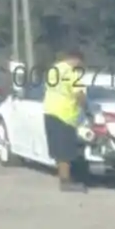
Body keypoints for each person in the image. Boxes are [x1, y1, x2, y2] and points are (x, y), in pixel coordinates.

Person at [42, 48, 88, 192]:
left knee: (58, 150)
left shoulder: (53, 70)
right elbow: (79, 94)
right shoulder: (72, 73)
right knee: (66, 153)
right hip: (65, 115)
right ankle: (66, 182)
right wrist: (86, 107)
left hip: (49, 111)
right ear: (77, 60)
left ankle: (63, 177)